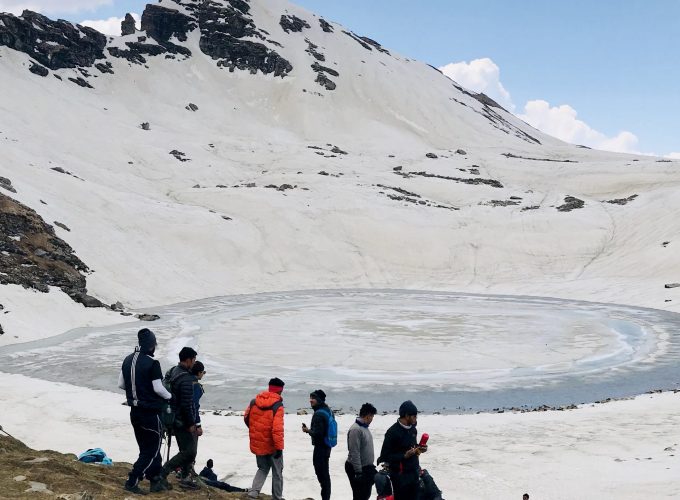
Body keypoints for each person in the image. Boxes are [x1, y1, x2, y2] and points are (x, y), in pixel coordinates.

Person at [118, 328, 172, 494]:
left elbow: (121, 384)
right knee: (152, 450)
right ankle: (133, 480)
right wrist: (170, 396)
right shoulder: (152, 363)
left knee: (145, 448)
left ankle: (155, 479)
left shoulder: (127, 360)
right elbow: (158, 388)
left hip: (134, 412)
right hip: (149, 413)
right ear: (151, 345)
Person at [159, 346, 201, 490]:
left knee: (185, 450)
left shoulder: (172, 371)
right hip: (181, 421)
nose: (195, 363)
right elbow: (187, 404)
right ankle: (162, 473)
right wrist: (191, 423)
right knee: (190, 452)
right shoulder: (186, 378)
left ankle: (184, 477)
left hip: (170, 416)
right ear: (188, 360)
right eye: (194, 360)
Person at [244, 377, 285, 500]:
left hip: (258, 442)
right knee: (277, 471)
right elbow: (277, 429)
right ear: (280, 391)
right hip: (272, 444)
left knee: (262, 468)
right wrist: (279, 448)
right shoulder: (278, 405)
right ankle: (277, 497)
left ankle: (253, 493)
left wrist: (257, 431)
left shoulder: (254, 401)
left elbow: (246, 418)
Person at [378, 400, 427, 500]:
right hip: (400, 476)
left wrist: (420, 449)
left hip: (414, 472)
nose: (416, 418)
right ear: (406, 415)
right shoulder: (392, 432)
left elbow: (412, 447)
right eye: (414, 416)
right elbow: (385, 456)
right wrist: (404, 456)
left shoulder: (413, 429)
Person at [302, 389, 333, 500]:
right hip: (327, 445)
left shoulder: (319, 414)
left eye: (313, 398)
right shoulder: (328, 410)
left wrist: (307, 430)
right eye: (310, 398)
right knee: (325, 475)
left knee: (323, 476)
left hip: (321, 448)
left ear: (319, 400)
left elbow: (318, 434)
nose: (310, 400)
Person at [345, 403, 378, 500]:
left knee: (365, 495)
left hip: (367, 467)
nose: (372, 419)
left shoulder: (364, 427)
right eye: (372, 416)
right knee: (360, 496)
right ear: (368, 415)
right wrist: (358, 472)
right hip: (357, 468)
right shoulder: (356, 429)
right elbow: (354, 452)